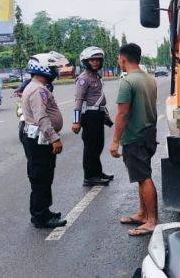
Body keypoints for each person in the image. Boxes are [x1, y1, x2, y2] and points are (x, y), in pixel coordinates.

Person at [110, 43, 159, 237]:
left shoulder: (127, 82)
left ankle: (153, 221)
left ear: (123, 59)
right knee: (141, 177)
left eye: (118, 59)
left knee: (144, 177)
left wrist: (115, 141)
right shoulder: (149, 79)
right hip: (149, 134)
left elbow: (122, 113)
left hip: (135, 136)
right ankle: (142, 214)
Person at [20, 51, 68, 229]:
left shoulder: (36, 87)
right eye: (53, 67)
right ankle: (41, 217)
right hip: (39, 140)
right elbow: (41, 117)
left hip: (39, 139)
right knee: (41, 177)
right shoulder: (38, 90)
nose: (55, 71)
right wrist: (54, 138)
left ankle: (44, 211)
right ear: (43, 68)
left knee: (44, 176)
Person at [72, 46, 114, 186]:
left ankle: (97, 172)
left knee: (98, 145)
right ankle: (89, 176)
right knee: (91, 147)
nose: (95, 62)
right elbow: (78, 100)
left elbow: (100, 99)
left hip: (97, 114)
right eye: (92, 60)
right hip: (89, 115)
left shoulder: (96, 76)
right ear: (85, 61)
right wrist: (76, 121)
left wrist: (105, 117)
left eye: (98, 60)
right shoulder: (83, 79)